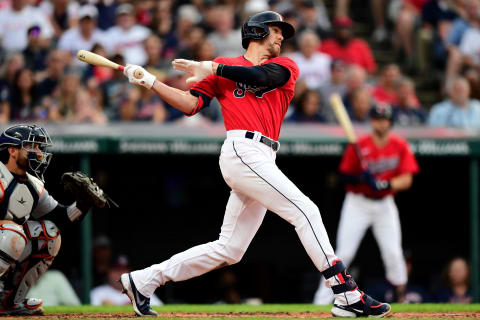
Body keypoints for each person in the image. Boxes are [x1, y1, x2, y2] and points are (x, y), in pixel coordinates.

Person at [119, 11, 391, 318]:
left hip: (264, 155)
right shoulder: (225, 66)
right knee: (305, 211)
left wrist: (211, 66)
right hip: (241, 149)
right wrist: (151, 82)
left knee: (229, 250)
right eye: (276, 30)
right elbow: (190, 104)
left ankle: (143, 280)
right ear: (257, 31)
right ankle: (345, 293)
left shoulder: (285, 65)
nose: (280, 37)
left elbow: (261, 78)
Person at [314, 104, 419, 305]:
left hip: (384, 204)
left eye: (384, 119)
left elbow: (407, 179)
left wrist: (385, 183)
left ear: (390, 122)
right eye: (377, 119)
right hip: (358, 204)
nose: (381, 123)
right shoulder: (360, 144)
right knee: (344, 253)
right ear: (372, 121)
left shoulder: (399, 145)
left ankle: (400, 295)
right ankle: (319, 301)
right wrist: (360, 178)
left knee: (393, 253)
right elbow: (343, 176)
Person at [0, 124, 105, 315]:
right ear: (12, 150)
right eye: (32, 146)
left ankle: (9, 302)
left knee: (50, 235)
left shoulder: (33, 184)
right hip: (6, 238)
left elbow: (62, 218)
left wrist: (83, 203)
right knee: (12, 232)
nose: (39, 152)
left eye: (40, 147)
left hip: (7, 244)